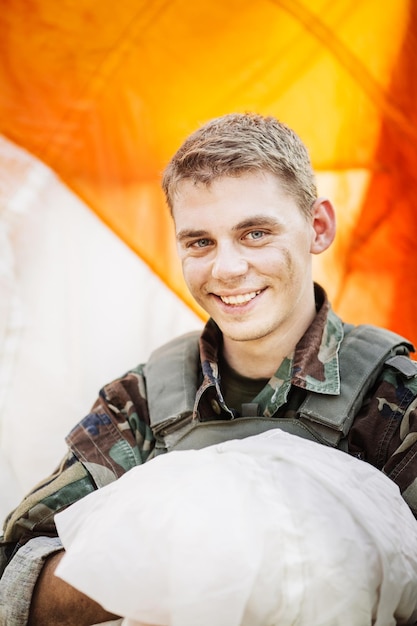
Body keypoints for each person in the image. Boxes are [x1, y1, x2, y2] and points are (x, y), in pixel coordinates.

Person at [1, 112, 417, 625]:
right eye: (200, 242)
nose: (227, 268)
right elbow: (15, 574)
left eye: (255, 233)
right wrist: (172, 564)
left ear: (318, 227)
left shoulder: (398, 402)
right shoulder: (141, 402)